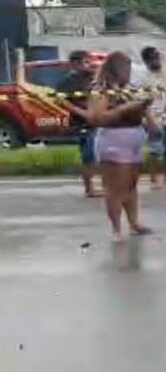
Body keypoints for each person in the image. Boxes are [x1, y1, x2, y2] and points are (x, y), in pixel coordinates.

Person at [87, 52, 152, 241]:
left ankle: (134, 222)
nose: (128, 72)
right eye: (125, 68)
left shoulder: (128, 88)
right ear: (115, 69)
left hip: (134, 136)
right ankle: (117, 228)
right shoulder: (101, 89)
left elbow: (142, 107)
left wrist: (144, 109)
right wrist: (125, 108)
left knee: (131, 185)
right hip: (114, 138)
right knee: (116, 187)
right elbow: (96, 117)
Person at [58, 50, 104, 198]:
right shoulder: (69, 81)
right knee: (88, 155)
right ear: (75, 64)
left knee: (101, 154)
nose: (89, 64)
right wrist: (80, 112)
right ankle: (89, 188)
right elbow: (60, 100)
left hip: (98, 120)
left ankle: (104, 185)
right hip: (82, 122)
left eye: (90, 61)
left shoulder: (92, 78)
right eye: (86, 61)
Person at [141, 46, 166, 188]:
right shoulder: (144, 79)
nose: (156, 60)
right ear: (146, 61)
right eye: (153, 58)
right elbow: (142, 103)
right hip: (153, 117)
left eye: (157, 57)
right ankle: (154, 179)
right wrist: (150, 121)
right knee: (155, 150)